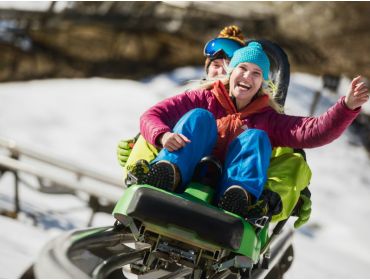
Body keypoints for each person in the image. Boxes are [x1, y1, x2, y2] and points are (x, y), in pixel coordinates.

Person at [131, 42, 368, 221]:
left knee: (256, 137)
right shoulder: (203, 98)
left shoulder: (268, 118)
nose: (247, 77)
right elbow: (152, 115)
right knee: (199, 118)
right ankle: (167, 172)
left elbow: (314, 131)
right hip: (186, 173)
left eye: (256, 73)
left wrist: (347, 106)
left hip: (227, 186)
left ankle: (238, 196)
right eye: (242, 68)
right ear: (230, 72)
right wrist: (163, 135)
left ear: (262, 82)